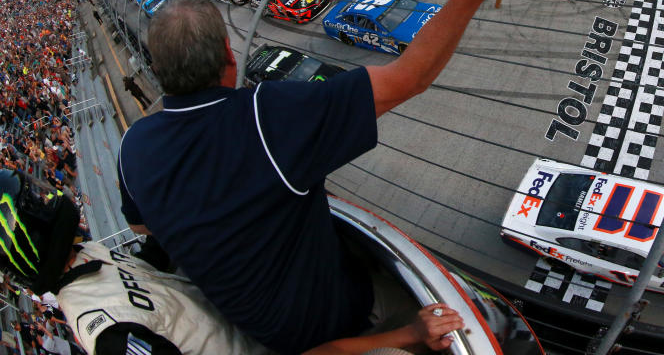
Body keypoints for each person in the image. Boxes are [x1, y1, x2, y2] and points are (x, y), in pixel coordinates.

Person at [117, 0, 522, 354]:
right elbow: (409, 77)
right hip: (338, 320)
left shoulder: (133, 148)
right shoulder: (266, 117)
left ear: (161, 69)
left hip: (263, 331)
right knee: (468, 325)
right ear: (229, 54)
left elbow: (141, 226)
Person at [0, 168, 460, 355]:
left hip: (265, 329)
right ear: (30, 230)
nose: (50, 197)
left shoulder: (89, 259)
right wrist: (408, 335)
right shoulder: (109, 334)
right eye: (37, 201)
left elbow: (156, 265)